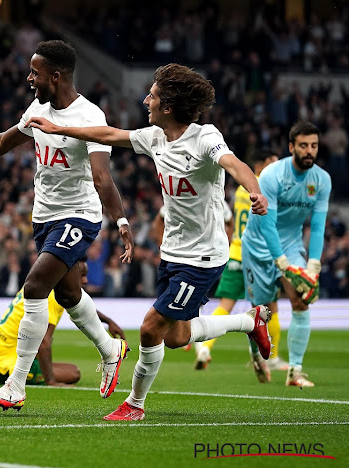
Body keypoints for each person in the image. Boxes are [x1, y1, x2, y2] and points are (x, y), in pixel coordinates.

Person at [26, 63, 271, 421]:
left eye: (152, 96)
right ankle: (250, 322)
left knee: (150, 327)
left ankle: (135, 405)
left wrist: (255, 191)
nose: (146, 101)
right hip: (172, 252)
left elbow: (235, 165)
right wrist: (58, 127)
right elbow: (109, 135)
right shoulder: (155, 138)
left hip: (204, 256)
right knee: (176, 336)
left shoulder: (204, 138)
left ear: (168, 107)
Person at [0, 40, 135, 411]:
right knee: (68, 296)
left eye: (35, 73)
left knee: (34, 287)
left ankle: (15, 386)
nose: (30, 78)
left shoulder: (89, 116)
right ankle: (111, 350)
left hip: (79, 216)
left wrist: (120, 219)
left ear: (55, 77)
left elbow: (101, 178)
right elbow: (5, 141)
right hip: (44, 216)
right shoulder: (38, 108)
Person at [241, 120, 331, 388]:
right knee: (262, 312)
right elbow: (268, 222)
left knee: (301, 301)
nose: (309, 151)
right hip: (258, 246)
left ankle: (295, 371)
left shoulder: (322, 180)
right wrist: (280, 262)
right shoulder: (271, 175)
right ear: (291, 147)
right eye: (303, 145)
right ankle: (257, 356)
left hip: (291, 245)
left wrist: (313, 263)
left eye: (313, 146)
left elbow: (317, 225)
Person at [194, 150, 284, 379]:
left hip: (235, 252)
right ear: (261, 166)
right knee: (270, 307)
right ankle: (271, 359)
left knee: (225, 304)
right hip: (258, 255)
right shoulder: (265, 192)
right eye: (272, 165)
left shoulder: (241, 191)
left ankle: (205, 347)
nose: (276, 170)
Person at [0, 258, 125, 387]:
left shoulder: (44, 283)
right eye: (81, 276)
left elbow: (80, 306)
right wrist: (51, 381)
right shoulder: (52, 297)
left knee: (36, 351)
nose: (85, 281)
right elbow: (44, 343)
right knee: (73, 373)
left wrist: (108, 321)